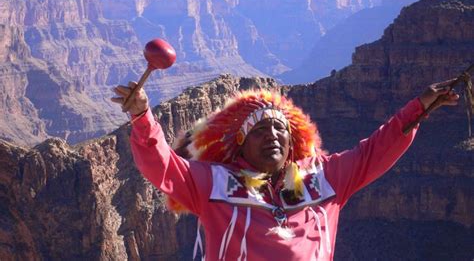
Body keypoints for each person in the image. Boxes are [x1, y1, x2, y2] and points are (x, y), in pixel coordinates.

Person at [111, 80, 459, 260]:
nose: (273, 136)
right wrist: (142, 117)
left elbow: (375, 150)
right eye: (260, 131)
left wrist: (420, 108)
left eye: (281, 130)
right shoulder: (216, 185)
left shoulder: (323, 178)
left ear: (293, 142)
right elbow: (162, 167)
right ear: (241, 144)